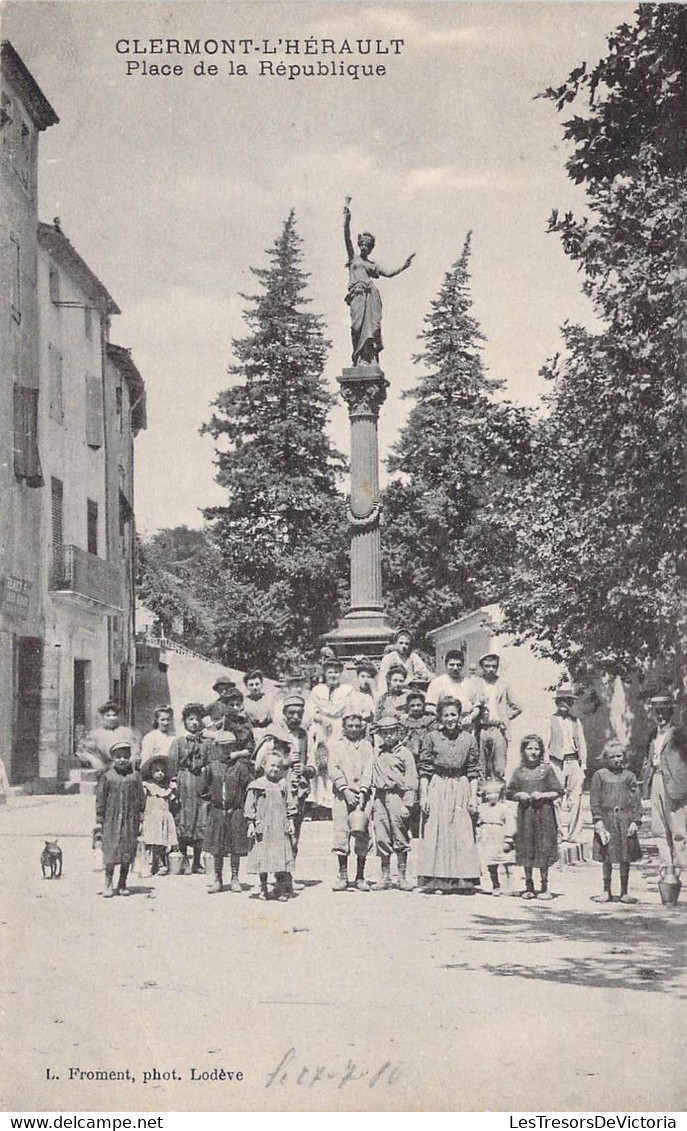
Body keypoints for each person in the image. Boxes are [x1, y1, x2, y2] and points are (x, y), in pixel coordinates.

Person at [417, 697, 481, 894]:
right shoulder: (431, 737)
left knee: (460, 832)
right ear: (439, 717)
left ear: (459, 715)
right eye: (446, 715)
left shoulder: (468, 739)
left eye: (454, 714)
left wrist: (473, 796)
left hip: (460, 785)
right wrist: (424, 795)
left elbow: (473, 769)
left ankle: (461, 880)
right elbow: (425, 769)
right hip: (438, 784)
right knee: (437, 831)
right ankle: (438, 880)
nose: (450, 719)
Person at [343, 195, 415, 366]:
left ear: (371, 247)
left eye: (368, 245)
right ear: (359, 244)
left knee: (372, 328)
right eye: (362, 244)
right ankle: (358, 359)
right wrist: (347, 212)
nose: (364, 247)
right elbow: (346, 235)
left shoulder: (372, 265)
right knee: (356, 327)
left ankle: (370, 358)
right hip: (357, 297)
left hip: (370, 296)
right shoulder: (353, 258)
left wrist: (404, 266)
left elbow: (389, 273)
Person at [507, 735, 563, 900]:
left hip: (544, 815)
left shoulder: (546, 770)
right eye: (529, 748)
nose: (533, 752)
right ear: (523, 751)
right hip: (526, 816)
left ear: (542, 751)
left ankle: (545, 886)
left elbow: (558, 791)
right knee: (527, 846)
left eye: (537, 749)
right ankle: (529, 886)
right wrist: (520, 795)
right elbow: (509, 793)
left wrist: (543, 795)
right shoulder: (519, 772)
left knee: (543, 846)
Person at [199, 732, 254, 894]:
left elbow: (250, 786)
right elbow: (202, 789)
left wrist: (241, 803)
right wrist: (214, 800)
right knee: (217, 847)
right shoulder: (211, 767)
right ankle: (217, 878)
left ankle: (235, 878)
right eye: (222, 747)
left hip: (235, 811)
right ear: (216, 748)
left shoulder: (240, 768)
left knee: (235, 847)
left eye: (229, 747)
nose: (225, 750)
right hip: (217, 812)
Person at [590, 739, 642, 904]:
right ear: (606, 758)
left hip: (624, 820)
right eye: (612, 757)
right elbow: (595, 799)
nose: (616, 759)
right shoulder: (600, 775)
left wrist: (635, 821)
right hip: (606, 820)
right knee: (607, 856)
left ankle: (624, 891)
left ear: (624, 757)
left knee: (624, 856)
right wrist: (597, 821)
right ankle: (606, 890)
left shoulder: (629, 776)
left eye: (619, 756)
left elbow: (636, 801)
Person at [641, 692, 687, 879]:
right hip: (656, 780)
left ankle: (680, 867)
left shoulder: (679, 733)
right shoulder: (653, 734)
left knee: (677, 828)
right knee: (658, 828)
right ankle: (665, 867)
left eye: (663, 712)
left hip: (675, 783)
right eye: (656, 712)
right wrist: (644, 786)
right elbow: (648, 760)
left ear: (670, 713)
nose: (660, 716)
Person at [328, 708, 374, 892]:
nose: (354, 729)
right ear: (344, 727)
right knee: (341, 833)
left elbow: (369, 769)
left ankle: (360, 876)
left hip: (363, 796)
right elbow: (333, 768)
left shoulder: (367, 746)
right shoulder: (337, 746)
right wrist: (345, 789)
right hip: (342, 796)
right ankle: (343, 875)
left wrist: (363, 791)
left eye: (357, 726)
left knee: (362, 834)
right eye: (350, 726)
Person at [370, 716, 418, 891]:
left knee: (400, 834)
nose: (388, 736)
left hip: (397, 796)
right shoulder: (376, 752)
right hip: (380, 797)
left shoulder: (405, 754)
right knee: (382, 835)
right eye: (385, 733)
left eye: (392, 732)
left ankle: (402, 877)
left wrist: (407, 804)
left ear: (398, 732)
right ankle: (385, 876)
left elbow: (412, 780)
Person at [94, 740, 146, 898]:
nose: (122, 760)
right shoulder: (107, 777)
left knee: (127, 852)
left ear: (130, 757)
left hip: (130, 820)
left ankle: (122, 883)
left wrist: (141, 817)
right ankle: (108, 882)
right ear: (112, 758)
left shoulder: (135, 777)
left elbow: (141, 798)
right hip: (112, 820)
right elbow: (100, 799)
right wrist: (99, 818)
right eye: (118, 757)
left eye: (125, 756)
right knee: (110, 851)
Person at [245, 752, 298, 901]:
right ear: (263, 765)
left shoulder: (283, 784)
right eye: (271, 765)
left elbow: (290, 804)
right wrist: (250, 823)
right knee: (263, 857)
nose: (275, 769)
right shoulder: (256, 785)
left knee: (279, 858)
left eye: (278, 766)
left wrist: (291, 821)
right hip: (263, 827)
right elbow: (250, 806)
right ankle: (263, 888)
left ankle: (279, 889)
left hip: (279, 827)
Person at [304, 657, 352, 809]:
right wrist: (322, 719)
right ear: (325, 673)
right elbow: (310, 711)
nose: (333, 675)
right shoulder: (317, 690)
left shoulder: (347, 690)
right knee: (320, 761)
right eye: (330, 672)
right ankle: (319, 800)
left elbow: (351, 710)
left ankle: (334, 799)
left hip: (339, 727)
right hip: (321, 728)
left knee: (337, 761)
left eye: (336, 672)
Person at [171, 703, 213, 874]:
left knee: (200, 819)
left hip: (200, 782)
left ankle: (197, 861)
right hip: (184, 781)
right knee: (184, 818)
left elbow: (210, 763)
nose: (195, 723)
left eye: (198, 719)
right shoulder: (179, 741)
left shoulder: (206, 742)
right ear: (185, 721)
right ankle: (183, 860)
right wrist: (173, 783)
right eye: (191, 719)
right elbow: (172, 763)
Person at [543, 685, 587, 845]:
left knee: (576, 798)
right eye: (561, 701)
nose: (564, 704)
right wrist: (547, 763)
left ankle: (575, 833)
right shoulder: (550, 720)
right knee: (556, 799)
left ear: (571, 703)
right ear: (557, 702)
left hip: (573, 761)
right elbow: (545, 743)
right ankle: (560, 834)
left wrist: (583, 764)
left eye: (567, 701)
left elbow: (581, 743)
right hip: (556, 762)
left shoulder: (576, 721)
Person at [475, 653, 521, 781]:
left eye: (494, 666)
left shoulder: (503, 684)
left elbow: (517, 707)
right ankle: (482, 795)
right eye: (487, 666)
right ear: (482, 667)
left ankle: (499, 795)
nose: (491, 669)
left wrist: (505, 717)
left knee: (499, 766)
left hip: (498, 729)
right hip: (481, 728)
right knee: (481, 764)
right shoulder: (476, 683)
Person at [400, 688, 435, 837]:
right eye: (412, 705)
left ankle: (424, 831)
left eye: (419, 705)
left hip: (424, 762)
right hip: (409, 764)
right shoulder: (404, 722)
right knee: (410, 796)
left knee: (424, 795)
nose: (415, 708)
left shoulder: (428, 721)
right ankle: (409, 830)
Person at [476, 780, 516, 896]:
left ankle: (510, 886)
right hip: (487, 838)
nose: (491, 796)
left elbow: (510, 823)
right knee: (491, 863)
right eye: (488, 794)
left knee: (507, 862)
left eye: (495, 793)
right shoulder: (482, 808)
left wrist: (508, 838)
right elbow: (478, 822)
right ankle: (495, 885)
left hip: (500, 835)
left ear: (499, 794)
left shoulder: (504, 808)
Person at [77, 700, 141, 773]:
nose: (112, 718)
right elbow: (86, 752)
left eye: (114, 715)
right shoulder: (95, 734)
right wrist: (99, 765)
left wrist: (124, 763)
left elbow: (134, 752)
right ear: (103, 717)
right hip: (102, 770)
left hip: (124, 768)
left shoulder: (126, 732)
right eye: (108, 715)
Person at [140, 755, 178, 876]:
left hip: (164, 817)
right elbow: (141, 802)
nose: (160, 773)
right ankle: (148, 865)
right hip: (151, 817)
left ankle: (161, 864)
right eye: (156, 770)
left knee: (162, 842)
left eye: (162, 771)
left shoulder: (168, 787)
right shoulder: (147, 786)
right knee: (150, 842)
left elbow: (173, 802)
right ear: (150, 771)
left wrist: (175, 790)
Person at [425, 651, 481, 725]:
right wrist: (444, 716)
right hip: (445, 724)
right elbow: (429, 706)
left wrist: (470, 717)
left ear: (462, 666)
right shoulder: (437, 683)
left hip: (466, 724)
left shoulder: (469, 683)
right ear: (445, 665)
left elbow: (476, 707)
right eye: (452, 665)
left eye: (458, 665)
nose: (455, 668)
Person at [205, 686, 255, 762]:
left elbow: (249, 750)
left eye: (237, 705)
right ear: (226, 706)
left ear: (241, 705)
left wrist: (236, 754)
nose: (235, 708)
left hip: (239, 760)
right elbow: (204, 733)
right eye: (231, 705)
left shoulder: (245, 724)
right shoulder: (222, 722)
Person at [242, 669, 275, 741]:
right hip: (250, 734)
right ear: (246, 686)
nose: (254, 687)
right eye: (251, 685)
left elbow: (274, 719)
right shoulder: (244, 701)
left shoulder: (269, 699)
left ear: (262, 684)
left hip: (268, 732)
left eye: (257, 684)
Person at [346, 660, 377, 730]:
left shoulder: (372, 695)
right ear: (357, 677)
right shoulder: (352, 694)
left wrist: (373, 689)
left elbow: (377, 711)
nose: (365, 680)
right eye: (362, 676)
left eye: (368, 677)